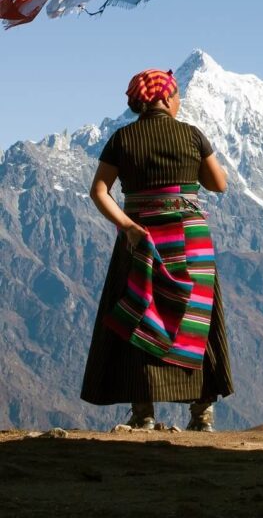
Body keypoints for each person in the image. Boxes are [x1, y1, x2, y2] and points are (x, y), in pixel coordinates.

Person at [80, 68, 233, 431]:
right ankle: (201, 413)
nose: (179, 102)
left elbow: (99, 191)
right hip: (190, 239)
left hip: (141, 238)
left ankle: (144, 412)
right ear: (164, 98)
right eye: (177, 95)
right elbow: (218, 184)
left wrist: (129, 226)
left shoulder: (123, 138)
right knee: (195, 318)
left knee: (140, 312)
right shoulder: (192, 135)